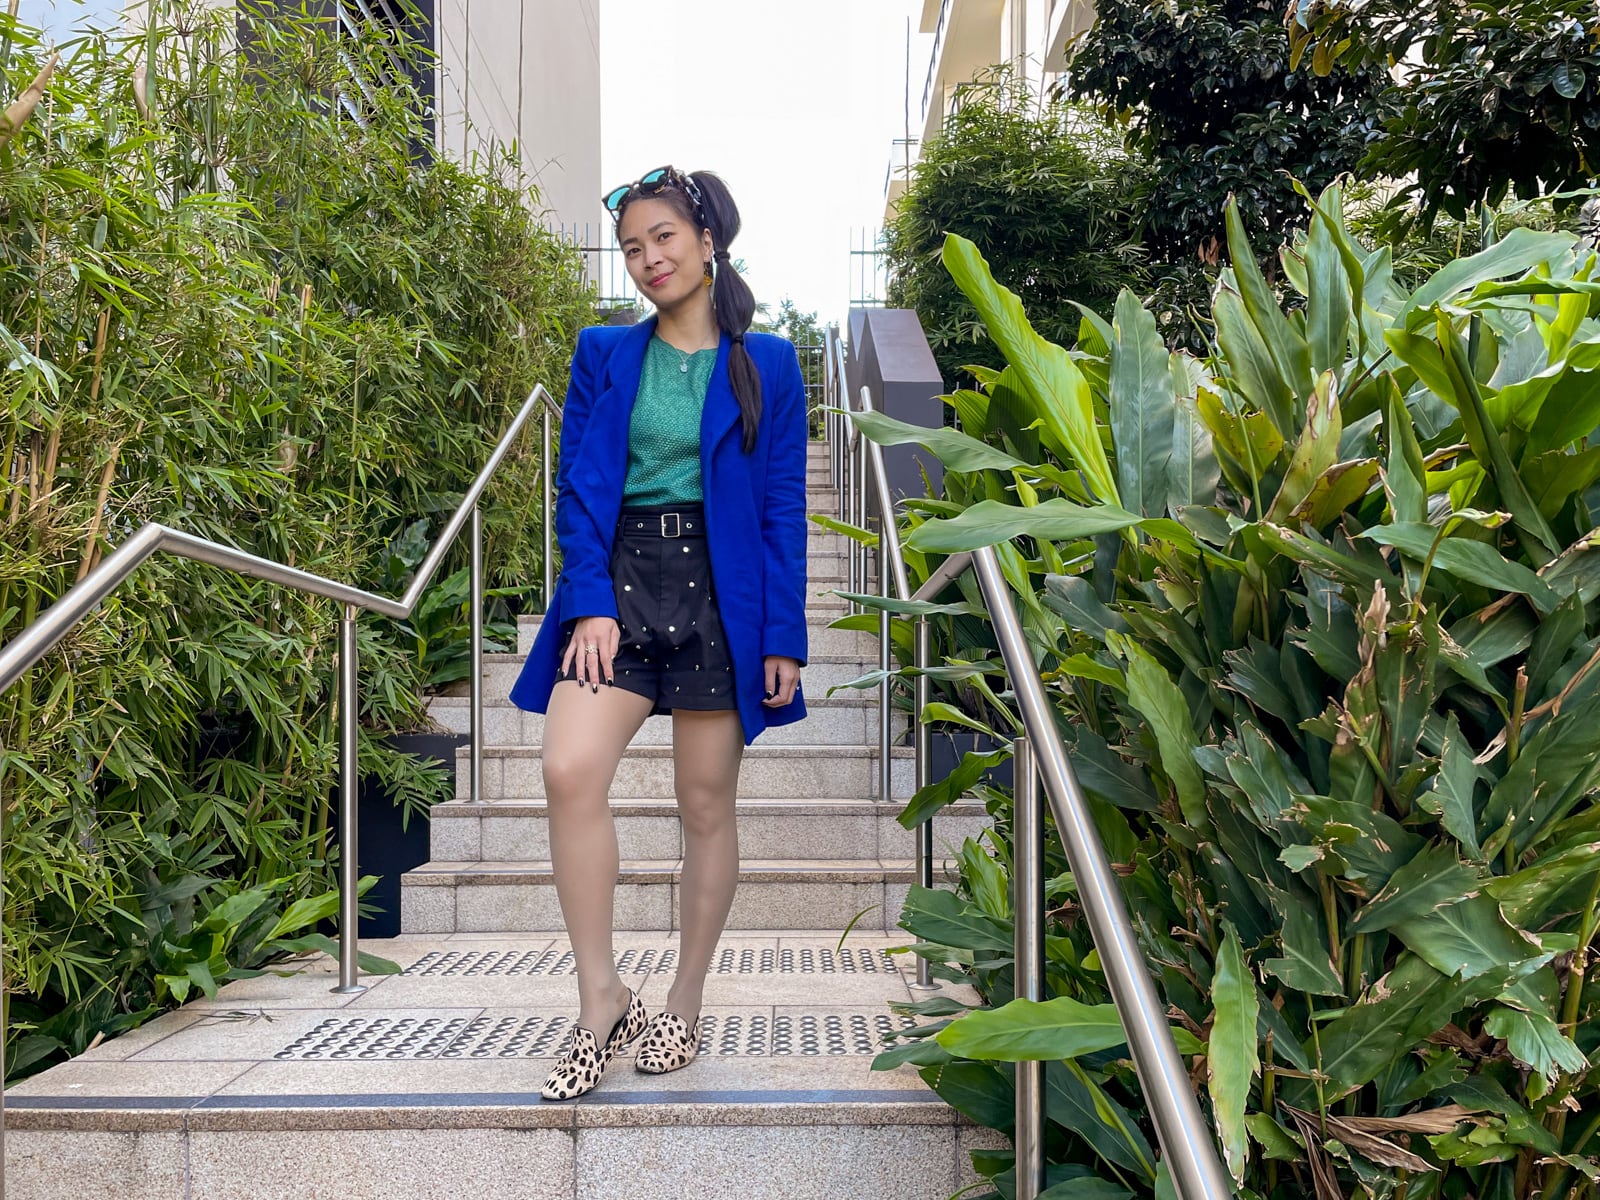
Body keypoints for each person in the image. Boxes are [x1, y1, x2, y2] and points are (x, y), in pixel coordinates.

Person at [508, 166, 810, 1101]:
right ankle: (603, 998)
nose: (648, 261)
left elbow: (783, 506)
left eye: (663, 239)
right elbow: (581, 489)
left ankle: (682, 1000)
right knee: (569, 769)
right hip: (623, 583)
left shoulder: (773, 364)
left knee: (706, 803)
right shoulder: (604, 352)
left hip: (724, 593)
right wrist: (589, 598)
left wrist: (784, 637)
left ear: (707, 239)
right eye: (633, 248)